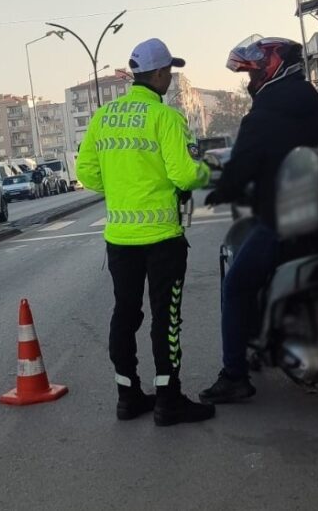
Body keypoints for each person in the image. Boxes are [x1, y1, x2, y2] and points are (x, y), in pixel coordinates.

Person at [199, 36, 318, 404]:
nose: (249, 83)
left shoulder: (261, 118)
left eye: (251, 75)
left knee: (236, 286)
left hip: (284, 224)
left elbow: (241, 168)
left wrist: (222, 190)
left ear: (271, 70)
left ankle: (234, 375)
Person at [76, 38, 216, 427]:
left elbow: (85, 173)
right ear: (158, 74)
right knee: (165, 319)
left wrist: (121, 187)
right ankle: (168, 401)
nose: (169, 78)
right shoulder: (165, 118)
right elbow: (184, 174)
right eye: (168, 71)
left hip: (120, 240)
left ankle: (128, 396)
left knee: (125, 313)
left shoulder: (103, 118)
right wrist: (207, 172)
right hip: (161, 239)